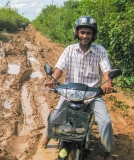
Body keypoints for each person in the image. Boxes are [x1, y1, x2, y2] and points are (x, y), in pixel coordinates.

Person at [40, 16, 115, 160]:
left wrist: (108, 82)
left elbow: (106, 69)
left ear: (93, 35)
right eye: (82, 32)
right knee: (54, 117)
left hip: (92, 94)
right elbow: (60, 68)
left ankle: (107, 151)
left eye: (88, 33)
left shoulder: (100, 50)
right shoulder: (70, 50)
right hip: (70, 93)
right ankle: (47, 136)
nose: (85, 36)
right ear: (77, 33)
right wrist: (53, 80)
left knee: (105, 121)